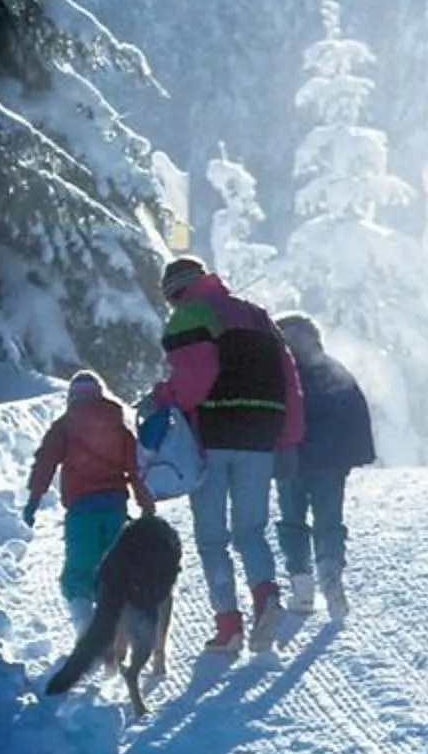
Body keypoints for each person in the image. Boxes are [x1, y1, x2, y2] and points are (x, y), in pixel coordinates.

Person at [146, 253, 303, 653]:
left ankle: (229, 627)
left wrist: (162, 396)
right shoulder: (257, 315)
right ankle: (266, 596)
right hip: (261, 437)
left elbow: (195, 380)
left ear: (173, 292)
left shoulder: (188, 315)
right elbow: (289, 380)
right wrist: (288, 439)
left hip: (212, 435)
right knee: (250, 531)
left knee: (212, 538)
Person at [23, 372, 156, 625]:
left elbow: (45, 461)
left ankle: (87, 634)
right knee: (116, 571)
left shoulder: (64, 426)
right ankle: (119, 631)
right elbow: (136, 469)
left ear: (71, 398)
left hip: (82, 511)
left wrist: (34, 499)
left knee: (79, 573)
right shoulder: (118, 427)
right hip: (115, 509)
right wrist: (146, 505)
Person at [272, 312, 375, 616]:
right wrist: (358, 454)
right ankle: (331, 576)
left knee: (292, 522)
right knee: (329, 521)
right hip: (331, 463)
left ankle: (301, 583)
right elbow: (356, 412)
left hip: (291, 460)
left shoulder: (279, 374)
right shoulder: (332, 370)